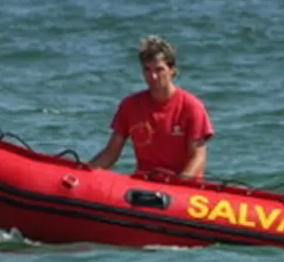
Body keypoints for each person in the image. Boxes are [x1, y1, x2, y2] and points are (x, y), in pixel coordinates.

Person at [87, 35, 214, 179]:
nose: (153, 76)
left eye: (159, 70)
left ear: (172, 70)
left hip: (181, 190)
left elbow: (198, 157)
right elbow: (111, 153)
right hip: (145, 186)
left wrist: (178, 185)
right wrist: (83, 174)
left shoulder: (192, 107)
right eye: (147, 70)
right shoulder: (130, 105)